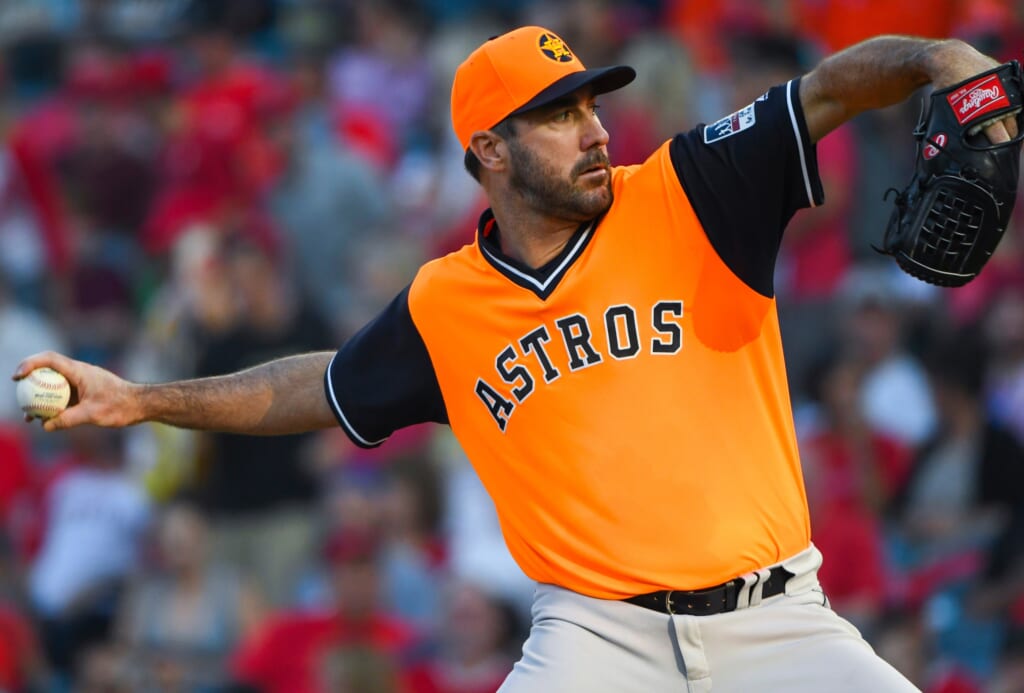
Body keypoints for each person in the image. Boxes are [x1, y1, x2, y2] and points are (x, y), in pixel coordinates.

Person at [12, 25, 1022, 692]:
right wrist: (142, 398)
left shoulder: (687, 190)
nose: (590, 129)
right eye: (556, 113)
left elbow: (831, 90)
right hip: (595, 641)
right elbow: (311, 387)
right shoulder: (446, 302)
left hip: (779, 620)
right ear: (488, 150)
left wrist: (943, 62)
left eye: (589, 105)